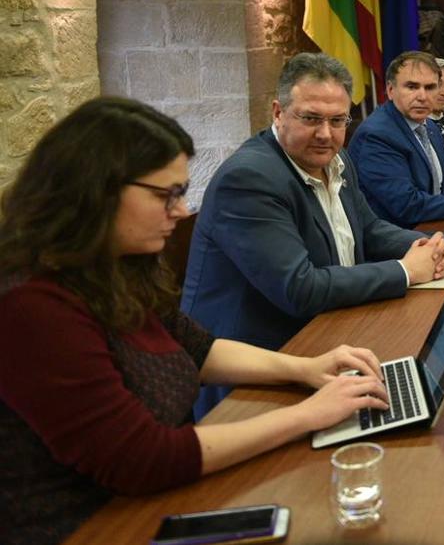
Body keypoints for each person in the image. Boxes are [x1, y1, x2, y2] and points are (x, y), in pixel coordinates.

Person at [0, 97, 392, 545]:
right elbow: (142, 459)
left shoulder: (114, 266)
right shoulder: (30, 306)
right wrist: (309, 416)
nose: (181, 212)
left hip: (161, 502)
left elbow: (197, 347)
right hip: (94, 526)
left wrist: (304, 369)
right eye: (164, 195)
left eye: (181, 193)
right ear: (95, 191)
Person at [182, 53, 444, 399]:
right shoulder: (249, 178)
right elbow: (300, 288)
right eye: (311, 118)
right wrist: (406, 271)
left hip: (329, 338)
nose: (326, 134)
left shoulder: (335, 159)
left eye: (338, 120)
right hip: (259, 374)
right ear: (278, 113)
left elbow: (368, 230)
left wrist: (427, 246)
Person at [349, 51, 444, 225]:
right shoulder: (377, 136)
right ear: (390, 90)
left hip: (433, 227)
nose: (422, 96)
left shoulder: (428, 124)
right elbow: (408, 206)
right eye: (412, 87)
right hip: (400, 240)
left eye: (430, 87)